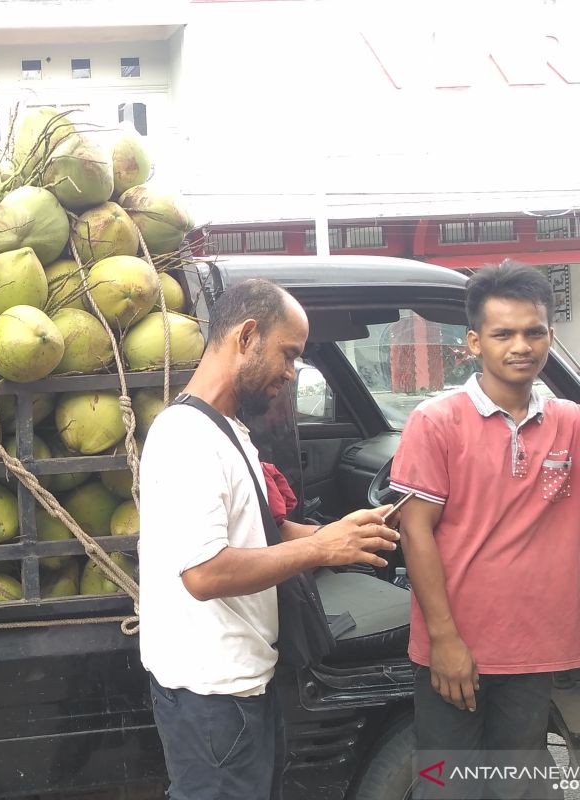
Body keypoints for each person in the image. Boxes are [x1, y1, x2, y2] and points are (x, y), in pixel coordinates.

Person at [139, 278, 400, 800]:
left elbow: (266, 530)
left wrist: (343, 534)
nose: (291, 371)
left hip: (240, 684)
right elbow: (205, 573)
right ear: (247, 335)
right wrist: (321, 549)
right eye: (288, 354)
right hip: (211, 696)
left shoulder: (226, 430)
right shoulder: (186, 438)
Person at [390, 261, 580, 799]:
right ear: (474, 342)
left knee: (519, 783)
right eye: (503, 334)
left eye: (534, 331)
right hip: (456, 650)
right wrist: (446, 639)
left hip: (535, 646)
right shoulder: (436, 422)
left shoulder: (569, 422)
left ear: (549, 335)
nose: (521, 345)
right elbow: (416, 532)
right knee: (446, 783)